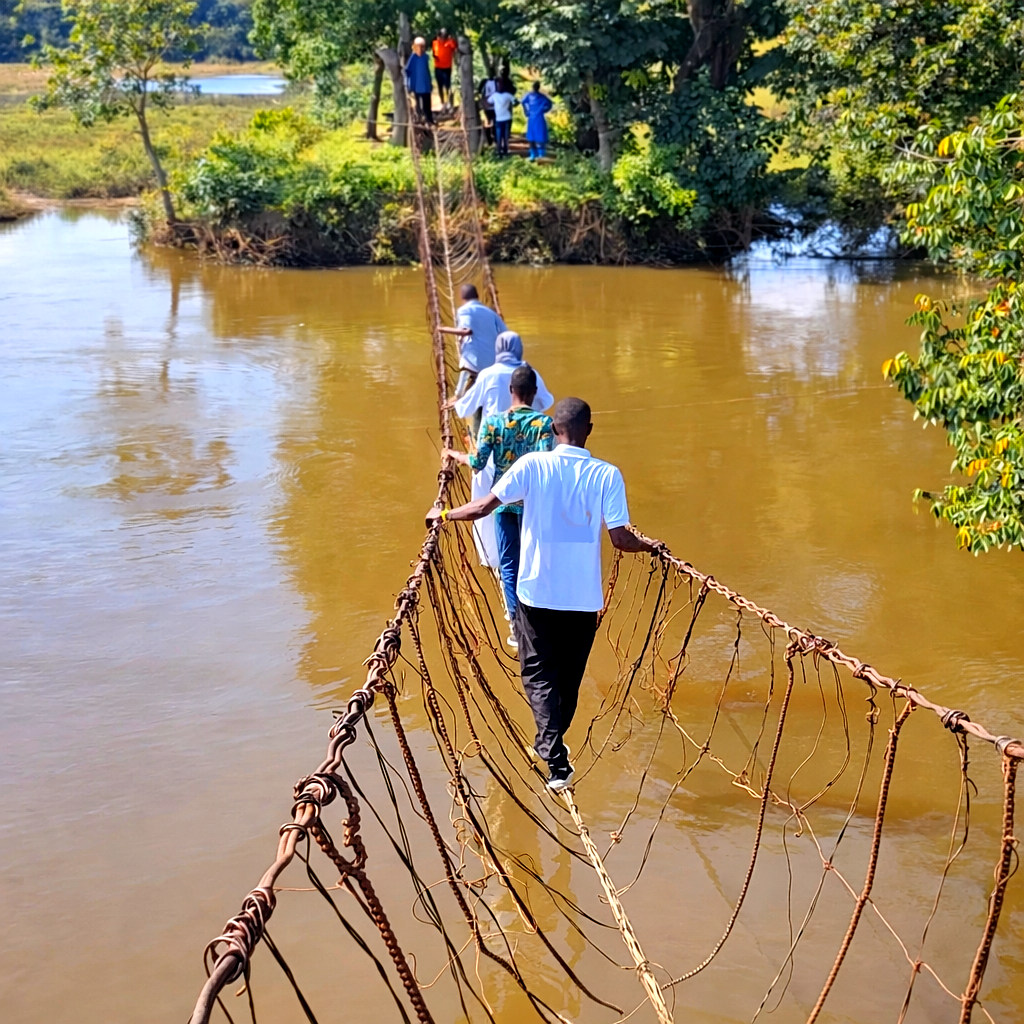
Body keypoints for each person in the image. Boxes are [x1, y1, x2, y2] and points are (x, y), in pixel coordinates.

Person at [426, 397, 658, 792]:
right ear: (589, 430)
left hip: (536, 592)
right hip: (583, 599)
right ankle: (553, 746)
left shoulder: (533, 465)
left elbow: (483, 507)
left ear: (554, 431)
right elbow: (620, 539)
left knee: (538, 673)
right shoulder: (607, 474)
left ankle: (553, 754)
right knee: (568, 677)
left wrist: (443, 516)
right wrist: (651, 547)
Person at [446, 364, 554, 642]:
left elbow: (478, 462)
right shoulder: (544, 424)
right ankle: (539, 618)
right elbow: (545, 464)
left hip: (503, 504)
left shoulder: (493, 423)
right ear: (534, 392)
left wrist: (455, 455)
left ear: (511, 391)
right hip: (533, 505)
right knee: (535, 561)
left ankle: (516, 628)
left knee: (509, 564)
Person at [453, 330, 553, 425]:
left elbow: (465, 408)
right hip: (528, 433)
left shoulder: (487, 375)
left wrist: (456, 403)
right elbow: (547, 401)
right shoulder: (530, 373)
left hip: (495, 435)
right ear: (519, 349)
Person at [439, 283, 507, 401]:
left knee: (466, 367)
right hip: (494, 361)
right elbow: (505, 332)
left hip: (475, 361)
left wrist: (443, 329)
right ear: (477, 296)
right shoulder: (490, 312)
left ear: (462, 298)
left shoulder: (464, 310)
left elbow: (466, 331)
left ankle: (458, 395)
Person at [521, 80, 553, 161]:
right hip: (537, 118)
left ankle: (537, 154)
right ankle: (537, 154)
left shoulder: (530, 96)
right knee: (535, 136)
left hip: (534, 118)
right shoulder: (540, 96)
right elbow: (550, 104)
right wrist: (544, 110)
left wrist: (526, 111)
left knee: (536, 136)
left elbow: (523, 102)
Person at [405, 37, 433, 125]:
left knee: (427, 104)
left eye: (422, 47)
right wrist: (408, 84)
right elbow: (407, 71)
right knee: (418, 104)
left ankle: (429, 120)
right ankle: (419, 119)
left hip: (426, 85)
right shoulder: (413, 58)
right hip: (416, 86)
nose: (420, 49)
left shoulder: (425, 57)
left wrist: (430, 82)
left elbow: (427, 70)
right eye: (418, 47)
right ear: (414, 47)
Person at [491, 76, 518, 158]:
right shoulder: (507, 95)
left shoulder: (495, 95)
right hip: (506, 118)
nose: (499, 86)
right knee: (503, 136)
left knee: (501, 136)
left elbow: (488, 102)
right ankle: (503, 151)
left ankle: (501, 152)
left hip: (501, 119)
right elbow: (516, 102)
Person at [432, 29, 458, 109]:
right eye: (441, 37)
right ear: (438, 36)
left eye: (444, 37)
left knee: (447, 85)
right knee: (440, 86)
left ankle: (449, 102)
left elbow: (455, 49)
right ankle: (442, 102)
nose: (442, 39)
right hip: (438, 67)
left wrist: (451, 40)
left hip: (447, 67)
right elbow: (434, 53)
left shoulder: (449, 42)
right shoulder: (435, 43)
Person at [478, 71, 497, 146]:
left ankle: (492, 139)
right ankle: (491, 140)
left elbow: (479, 91)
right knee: (491, 122)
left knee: (491, 122)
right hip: (490, 106)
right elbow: (479, 91)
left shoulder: (486, 82)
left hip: (490, 106)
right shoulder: (486, 82)